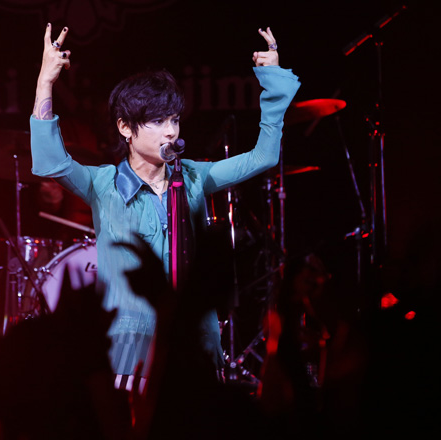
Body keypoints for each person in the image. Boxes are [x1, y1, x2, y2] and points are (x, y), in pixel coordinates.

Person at [29, 23, 300, 380]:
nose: (171, 130)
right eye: (157, 121)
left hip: (194, 343)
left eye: (174, 119)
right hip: (128, 349)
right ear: (125, 127)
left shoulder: (193, 178)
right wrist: (45, 81)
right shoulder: (103, 184)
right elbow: (51, 161)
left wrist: (274, 82)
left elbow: (263, 157)